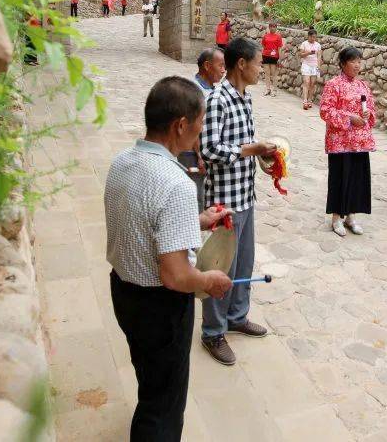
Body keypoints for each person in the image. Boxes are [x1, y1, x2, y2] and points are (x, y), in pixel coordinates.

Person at [104, 76, 234, 441]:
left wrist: (198, 220)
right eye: (199, 124)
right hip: (160, 308)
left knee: (150, 378)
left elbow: (144, 220)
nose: (200, 133)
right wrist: (211, 281)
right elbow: (177, 276)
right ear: (180, 125)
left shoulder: (122, 161)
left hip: (124, 293)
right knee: (163, 406)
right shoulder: (176, 182)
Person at [199, 37, 277, 365]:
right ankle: (213, 332)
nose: (263, 68)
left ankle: (237, 316)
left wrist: (265, 159)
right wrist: (251, 150)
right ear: (242, 64)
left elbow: (244, 144)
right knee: (220, 265)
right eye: (259, 62)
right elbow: (209, 149)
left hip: (245, 194)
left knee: (243, 264)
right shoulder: (218, 99)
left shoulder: (245, 99)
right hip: (224, 201)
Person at [320, 47, 376, 237]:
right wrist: (349, 117)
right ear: (343, 64)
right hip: (340, 142)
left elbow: (371, 110)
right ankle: (337, 217)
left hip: (359, 142)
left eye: (359, 61)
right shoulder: (333, 85)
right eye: (353, 61)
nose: (357, 65)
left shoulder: (363, 86)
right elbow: (326, 111)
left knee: (356, 179)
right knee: (340, 178)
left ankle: (351, 216)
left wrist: (368, 115)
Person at [177, 48, 226, 211]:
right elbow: (194, 127)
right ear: (207, 65)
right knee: (195, 198)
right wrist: (200, 156)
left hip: (206, 155)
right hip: (193, 154)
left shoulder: (213, 90)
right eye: (221, 66)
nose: (223, 70)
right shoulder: (194, 91)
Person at [298, 28, 322, 110]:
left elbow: (319, 56)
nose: (313, 39)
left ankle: (310, 100)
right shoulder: (304, 44)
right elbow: (300, 55)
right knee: (306, 82)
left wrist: (318, 66)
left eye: (315, 37)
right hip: (306, 65)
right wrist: (308, 53)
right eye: (312, 37)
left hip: (314, 66)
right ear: (308, 36)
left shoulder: (318, 45)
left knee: (312, 83)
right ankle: (305, 101)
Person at [260, 21, 283, 96]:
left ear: (276, 28)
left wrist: (279, 58)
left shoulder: (278, 37)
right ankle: (268, 89)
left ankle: (274, 90)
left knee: (273, 74)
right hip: (266, 56)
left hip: (274, 57)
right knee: (267, 73)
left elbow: (279, 48)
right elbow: (263, 46)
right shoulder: (265, 36)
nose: (272, 28)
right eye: (271, 26)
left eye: (274, 27)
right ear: (269, 27)